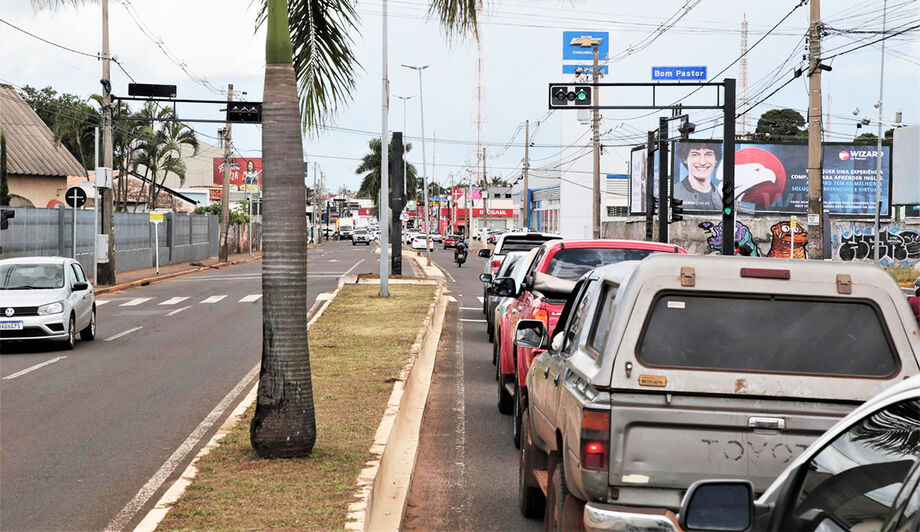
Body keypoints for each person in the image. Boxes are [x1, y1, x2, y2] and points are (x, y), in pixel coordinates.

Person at [673, 143, 723, 211]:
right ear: (685, 159)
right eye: (695, 154)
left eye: (708, 154)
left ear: (716, 159)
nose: (702, 162)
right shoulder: (673, 194)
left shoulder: (723, 195)